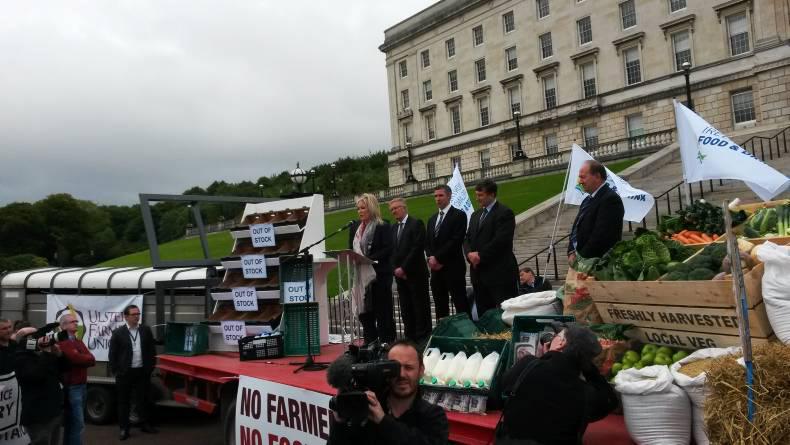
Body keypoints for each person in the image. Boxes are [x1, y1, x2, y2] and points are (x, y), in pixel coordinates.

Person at [498, 324, 618, 444]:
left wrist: (546, 357)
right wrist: (585, 364)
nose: (552, 338)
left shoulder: (527, 366)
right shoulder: (587, 393)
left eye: (556, 336)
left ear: (561, 343)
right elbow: (610, 401)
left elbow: (503, 386)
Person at [328, 340, 449, 445]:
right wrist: (339, 424)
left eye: (408, 368)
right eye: (395, 368)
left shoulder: (433, 416)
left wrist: (383, 421)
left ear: (421, 370)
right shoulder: (366, 408)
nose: (401, 374)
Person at [464, 179, 518, 317]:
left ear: (492, 194)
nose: (477, 198)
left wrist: (480, 255)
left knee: (506, 314)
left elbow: (501, 240)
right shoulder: (475, 215)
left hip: (499, 274)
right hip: (478, 275)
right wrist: (469, 255)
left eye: (480, 195)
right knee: (484, 316)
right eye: (476, 195)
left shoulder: (505, 213)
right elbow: (467, 239)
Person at [348, 193, 396, 344]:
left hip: (379, 275)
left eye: (363, 208)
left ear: (371, 208)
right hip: (361, 275)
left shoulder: (383, 225)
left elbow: (388, 248)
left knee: (382, 310)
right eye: (358, 208)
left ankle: (386, 341)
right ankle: (370, 340)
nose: (360, 211)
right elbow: (351, 248)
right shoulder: (355, 227)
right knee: (364, 311)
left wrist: (369, 259)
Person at [109, 304, 158, 441]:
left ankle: (144, 424)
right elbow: (112, 354)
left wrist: (150, 367)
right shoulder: (118, 333)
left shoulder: (145, 330)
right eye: (134, 314)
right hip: (125, 373)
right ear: (126, 317)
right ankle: (124, 429)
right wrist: (117, 371)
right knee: (123, 402)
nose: (137, 316)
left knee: (143, 399)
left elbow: (151, 350)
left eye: (138, 314)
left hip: (142, 371)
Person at [388, 198, 432, 343]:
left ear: (404, 207)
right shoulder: (393, 228)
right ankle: (410, 338)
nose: (394, 211)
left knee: (420, 308)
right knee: (406, 309)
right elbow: (391, 251)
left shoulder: (416, 224)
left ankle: (423, 338)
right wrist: (395, 269)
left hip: (416, 275)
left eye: (396, 208)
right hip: (400, 277)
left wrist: (404, 268)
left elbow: (417, 248)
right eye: (391, 209)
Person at [567, 160, 625, 264]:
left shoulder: (611, 200)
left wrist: (580, 260)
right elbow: (576, 228)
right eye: (579, 177)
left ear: (597, 176)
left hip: (598, 264)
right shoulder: (587, 200)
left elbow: (601, 236)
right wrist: (571, 251)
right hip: (582, 262)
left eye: (583, 177)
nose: (580, 181)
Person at [425, 185, 470, 320]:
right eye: (435, 196)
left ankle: (466, 329)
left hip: (453, 267)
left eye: (441, 195)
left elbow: (456, 240)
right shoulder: (432, 219)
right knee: (440, 306)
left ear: (449, 196)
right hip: (436, 271)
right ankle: (443, 330)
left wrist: (438, 258)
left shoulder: (459, 215)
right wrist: (430, 258)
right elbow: (427, 242)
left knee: (460, 303)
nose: (437, 199)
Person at [14, 326, 64, 445]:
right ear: (24, 341)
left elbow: (64, 370)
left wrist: (59, 354)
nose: (38, 338)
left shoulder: (41, 354)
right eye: (33, 336)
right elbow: (36, 375)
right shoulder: (20, 357)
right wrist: (46, 353)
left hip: (53, 412)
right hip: (38, 416)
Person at [58, 313, 96, 445]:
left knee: (73, 423)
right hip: (72, 387)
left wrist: (83, 357)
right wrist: (84, 357)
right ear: (63, 326)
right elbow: (75, 358)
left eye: (76, 321)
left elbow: (92, 359)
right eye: (72, 322)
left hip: (82, 385)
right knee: (77, 423)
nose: (76, 323)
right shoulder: (63, 342)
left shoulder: (77, 341)